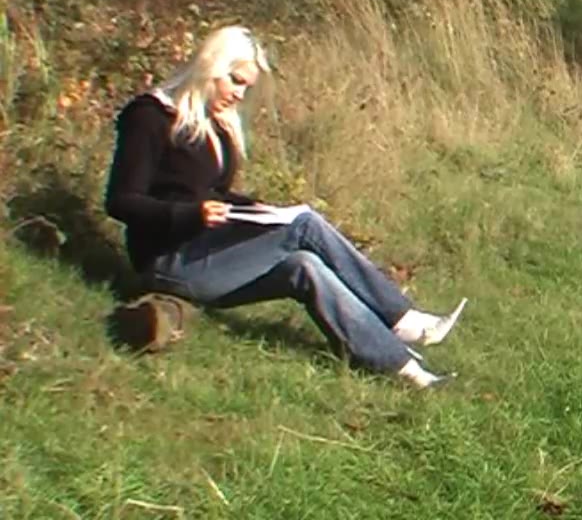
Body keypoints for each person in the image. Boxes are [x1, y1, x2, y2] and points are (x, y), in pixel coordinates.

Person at [103, 25, 465, 390]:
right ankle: (402, 318)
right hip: (169, 260)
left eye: (247, 86)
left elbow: (210, 192)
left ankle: (403, 369)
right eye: (235, 81)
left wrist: (258, 209)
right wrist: (191, 215)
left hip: (211, 253)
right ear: (210, 68)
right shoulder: (149, 115)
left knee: (304, 266)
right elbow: (122, 201)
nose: (240, 94)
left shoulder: (217, 123)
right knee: (305, 224)